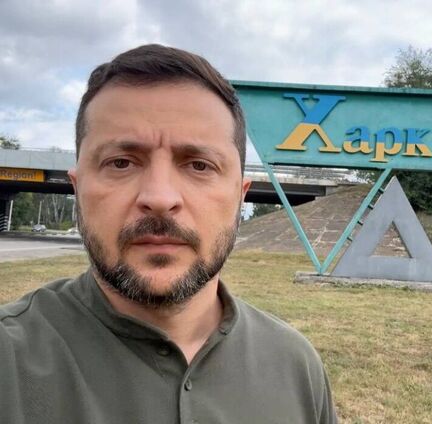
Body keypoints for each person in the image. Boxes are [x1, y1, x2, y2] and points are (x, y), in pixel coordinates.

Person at [0, 44, 337, 424]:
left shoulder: (296, 367)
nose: (160, 198)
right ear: (77, 190)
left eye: (199, 165)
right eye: (121, 162)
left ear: (240, 197)